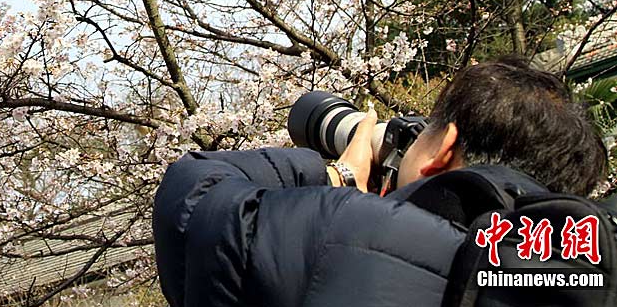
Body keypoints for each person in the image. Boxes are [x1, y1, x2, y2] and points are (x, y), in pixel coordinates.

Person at [152, 56, 607, 307]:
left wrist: (340, 172)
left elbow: (193, 199)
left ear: (443, 150)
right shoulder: (579, 267)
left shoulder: (349, 229)